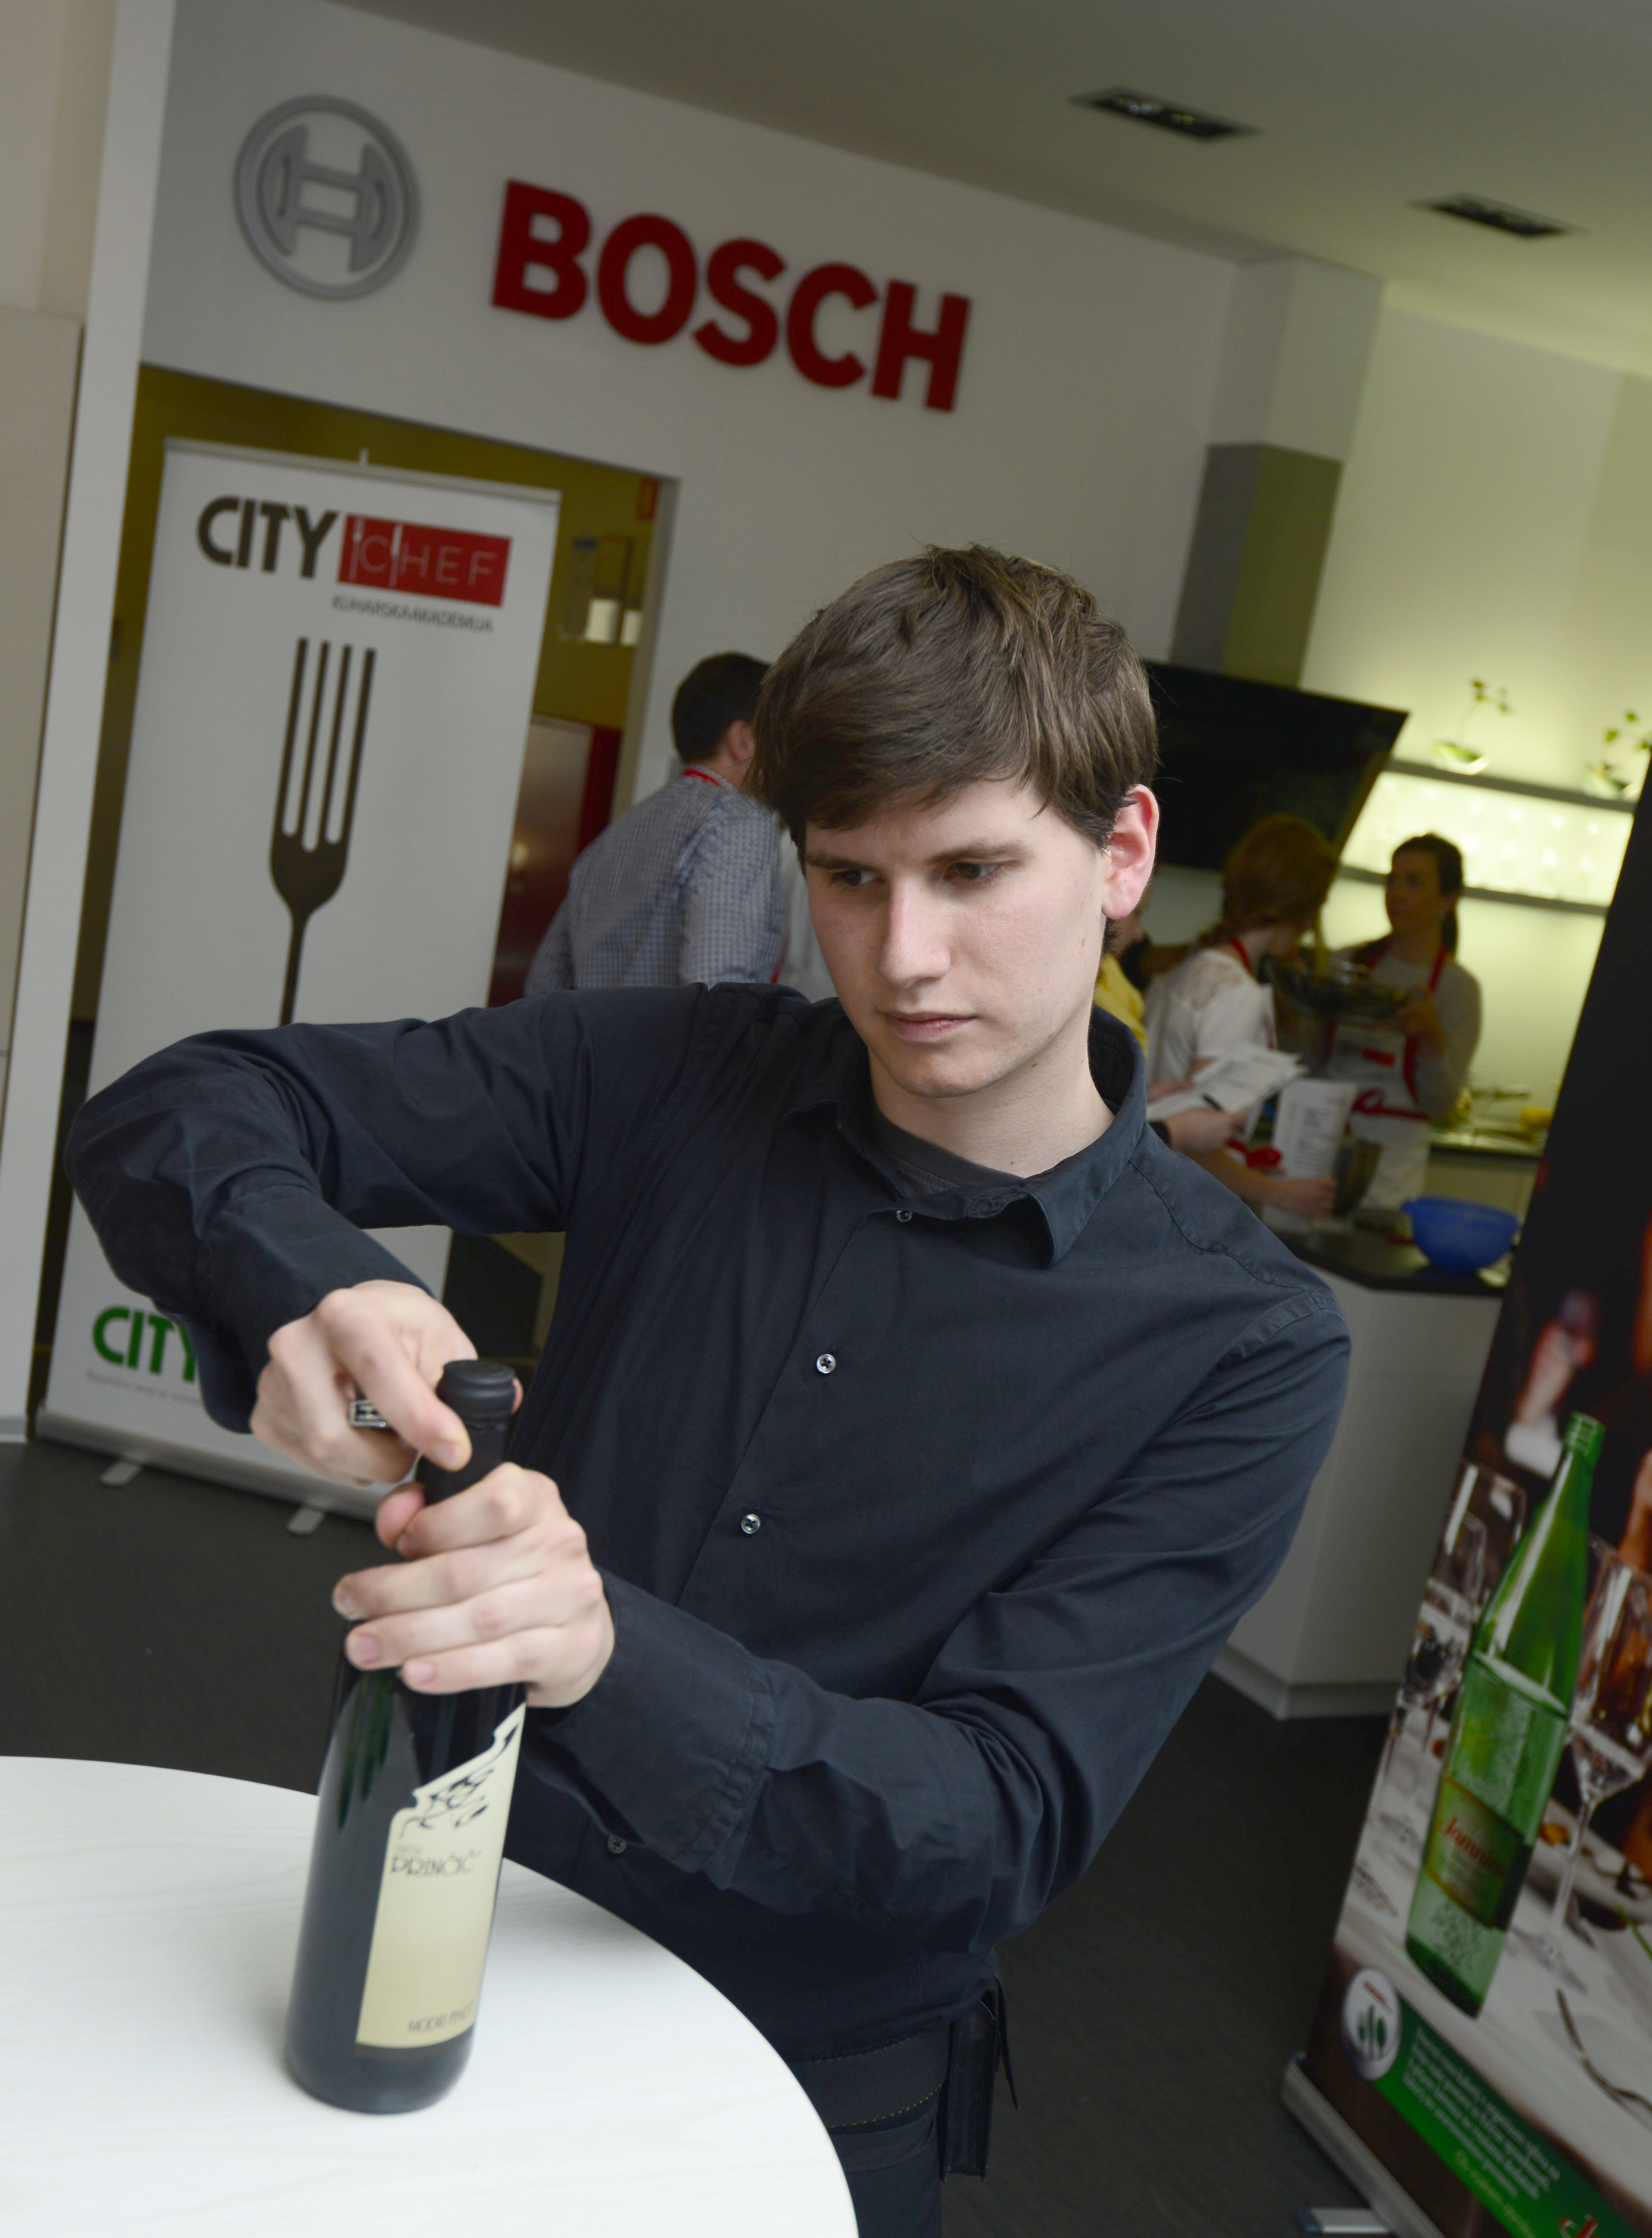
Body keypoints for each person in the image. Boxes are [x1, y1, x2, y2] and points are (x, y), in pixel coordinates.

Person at [67, 547, 1349, 2238]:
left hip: (811, 2063)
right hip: (455, 1908)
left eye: (972, 871)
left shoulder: (1241, 1342)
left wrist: (607, 1651)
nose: (903, 955)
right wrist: (312, 1281)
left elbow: (996, 1816)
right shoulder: (675, 1070)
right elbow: (186, 1102)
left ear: (1121, 854)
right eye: (849, 877)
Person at [526, 651, 787, 992]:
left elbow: (545, 983)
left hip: (590, 1028)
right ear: (743, 740)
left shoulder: (619, 832)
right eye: (779, 736)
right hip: (677, 1032)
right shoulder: (740, 825)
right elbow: (718, 993)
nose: (787, 755)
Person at [1143, 814, 1340, 1221]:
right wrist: (1282, 1194)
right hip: (1188, 1209)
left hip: (1152, 1191)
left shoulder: (1180, 971)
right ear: (1301, 907)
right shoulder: (1238, 994)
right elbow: (1198, 1142)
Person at [1318, 834, 1481, 1210]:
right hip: (1322, 1138)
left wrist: (1431, 1039)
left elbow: (1440, 1108)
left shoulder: (1458, 989)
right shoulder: (1346, 965)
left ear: (1447, 900)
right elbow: (1309, 1063)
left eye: (1414, 883)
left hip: (1393, 1166)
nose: (1396, 894)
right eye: (1392, 880)